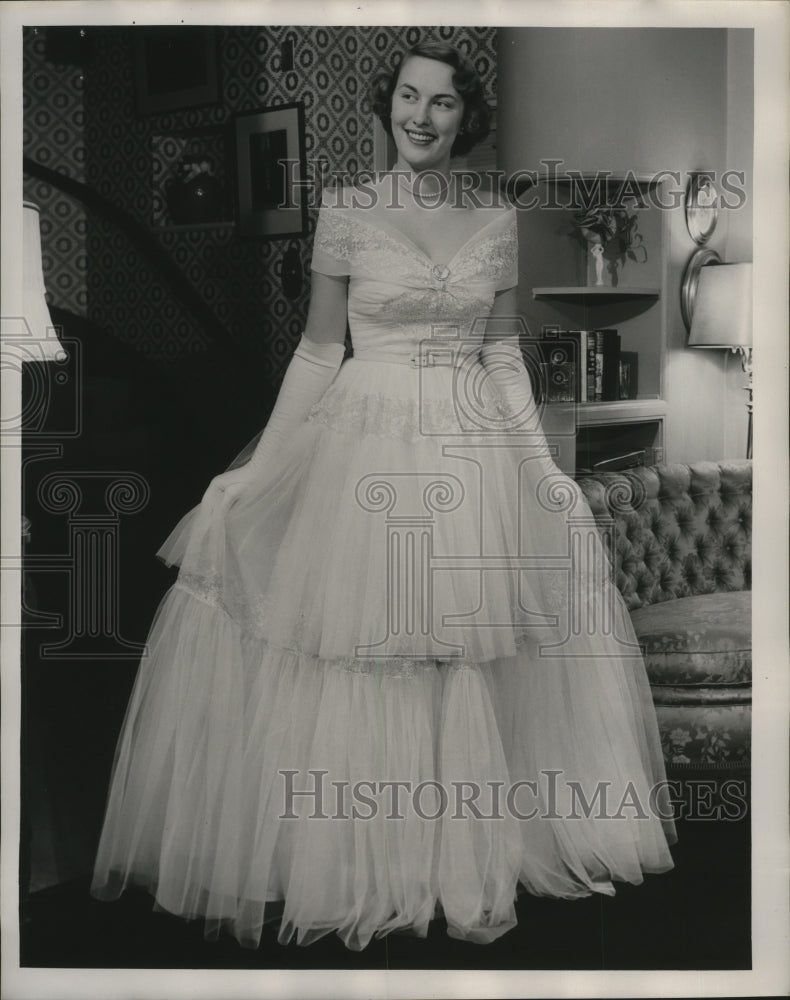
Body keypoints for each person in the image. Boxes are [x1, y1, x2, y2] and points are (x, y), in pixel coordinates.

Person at [91, 40, 676, 952]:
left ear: (465, 119)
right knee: (369, 648)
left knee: (463, 653)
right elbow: (321, 354)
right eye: (408, 96)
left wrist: (541, 471)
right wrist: (255, 470)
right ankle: (367, 861)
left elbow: (501, 357)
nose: (421, 116)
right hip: (365, 448)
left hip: (471, 441)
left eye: (442, 103)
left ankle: (460, 857)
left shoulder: (494, 218)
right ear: (388, 104)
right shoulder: (348, 211)